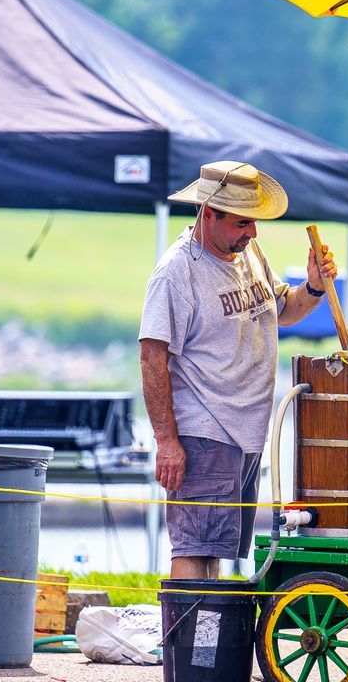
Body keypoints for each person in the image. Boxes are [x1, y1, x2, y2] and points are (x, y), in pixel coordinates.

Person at [139, 161, 337, 581]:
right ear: (208, 213)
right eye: (243, 223)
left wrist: (315, 285)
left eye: (254, 223)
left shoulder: (248, 254)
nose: (252, 233)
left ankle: (206, 643)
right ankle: (191, 646)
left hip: (245, 432)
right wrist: (167, 442)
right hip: (205, 432)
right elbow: (151, 357)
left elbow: (284, 311)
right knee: (195, 548)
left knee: (217, 550)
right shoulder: (178, 272)